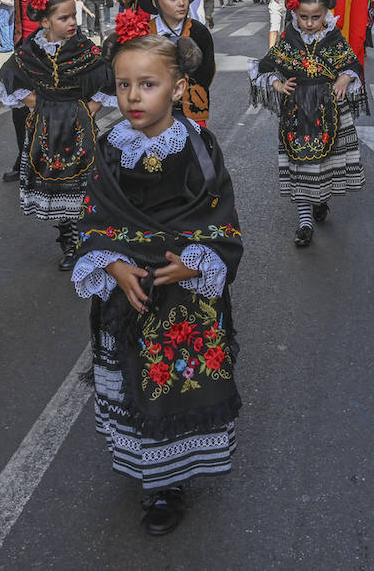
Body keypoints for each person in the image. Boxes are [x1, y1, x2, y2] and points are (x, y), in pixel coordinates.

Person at [72, 28, 242, 537]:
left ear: (177, 86)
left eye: (147, 84)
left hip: (181, 297)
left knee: (174, 384)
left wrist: (198, 261)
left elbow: (219, 212)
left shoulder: (198, 146)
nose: (132, 97)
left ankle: (169, 483)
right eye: (123, 85)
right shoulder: (108, 146)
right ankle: (150, 474)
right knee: (128, 383)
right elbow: (95, 212)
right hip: (128, 295)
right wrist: (111, 263)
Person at [0, 0, 114, 269]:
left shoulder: (85, 50)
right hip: (46, 131)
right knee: (55, 187)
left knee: (82, 188)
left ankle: (86, 241)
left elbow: (107, 77)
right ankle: (69, 243)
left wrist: (88, 109)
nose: (72, 22)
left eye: (73, 16)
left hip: (79, 130)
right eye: (64, 18)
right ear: (45, 22)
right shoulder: (30, 52)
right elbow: (10, 73)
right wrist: (36, 102)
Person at [248, 0, 367, 247]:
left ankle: (321, 200)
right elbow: (267, 64)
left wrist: (345, 79)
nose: (310, 23)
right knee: (301, 164)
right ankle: (305, 222)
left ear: (326, 13)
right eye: (304, 17)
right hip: (298, 111)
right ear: (295, 13)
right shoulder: (289, 37)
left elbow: (352, 64)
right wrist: (278, 84)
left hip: (329, 111)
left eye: (316, 17)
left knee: (322, 164)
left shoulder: (333, 37)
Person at [4, 0, 72, 182]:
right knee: (19, 107)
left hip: (52, 49)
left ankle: (55, 159)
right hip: (23, 49)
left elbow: (67, 13)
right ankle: (24, 160)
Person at [138, 0, 216, 127]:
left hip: (191, 112)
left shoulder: (198, 31)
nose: (181, 3)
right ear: (155, 2)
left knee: (196, 150)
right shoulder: (143, 32)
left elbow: (208, 70)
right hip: (152, 112)